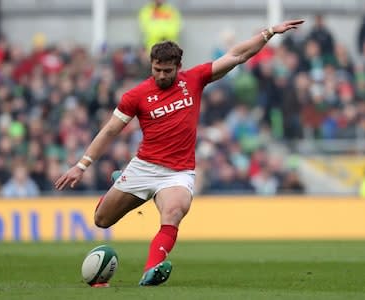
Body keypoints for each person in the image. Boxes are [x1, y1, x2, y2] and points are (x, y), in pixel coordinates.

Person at [55, 19, 304, 287]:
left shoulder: (194, 80)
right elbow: (109, 131)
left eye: (167, 70)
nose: (162, 75)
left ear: (178, 67)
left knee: (173, 213)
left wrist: (267, 33)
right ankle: (122, 181)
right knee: (101, 220)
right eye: (157, 69)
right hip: (144, 166)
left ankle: (151, 270)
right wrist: (81, 165)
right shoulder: (136, 96)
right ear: (151, 65)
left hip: (178, 172)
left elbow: (236, 55)